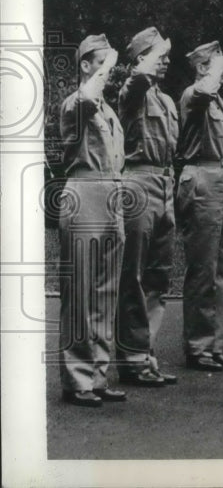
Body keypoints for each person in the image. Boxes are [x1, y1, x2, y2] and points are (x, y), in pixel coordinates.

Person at [58, 34, 128, 406]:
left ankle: (98, 375)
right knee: (82, 291)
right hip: (84, 191)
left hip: (111, 193)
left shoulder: (107, 111)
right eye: (102, 63)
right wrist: (109, 63)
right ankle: (76, 380)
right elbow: (87, 96)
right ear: (86, 66)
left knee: (105, 292)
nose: (109, 71)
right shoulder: (77, 103)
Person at [115, 27, 179, 387]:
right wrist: (150, 59)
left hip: (165, 184)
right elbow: (139, 77)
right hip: (138, 183)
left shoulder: (167, 101)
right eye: (158, 53)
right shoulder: (132, 92)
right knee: (133, 276)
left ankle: (146, 355)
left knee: (158, 275)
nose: (166, 59)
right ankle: (132, 358)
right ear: (142, 59)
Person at [176, 40, 223, 371]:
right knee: (203, 267)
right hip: (203, 176)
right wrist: (212, 71)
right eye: (218, 65)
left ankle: (214, 343)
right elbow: (203, 91)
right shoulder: (194, 95)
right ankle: (198, 347)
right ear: (203, 68)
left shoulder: (218, 101)